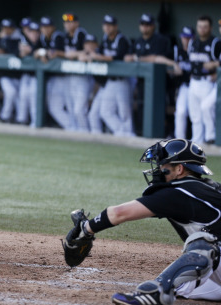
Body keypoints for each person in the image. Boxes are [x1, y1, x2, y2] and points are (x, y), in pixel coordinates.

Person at [65, 139, 221, 304]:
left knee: (203, 243)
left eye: (163, 165)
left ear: (179, 169)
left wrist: (86, 228)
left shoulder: (178, 193)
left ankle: (156, 293)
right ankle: (162, 288)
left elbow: (119, 213)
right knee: (182, 285)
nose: (159, 169)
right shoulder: (211, 188)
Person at [85, 15, 134, 137]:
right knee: (105, 112)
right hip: (110, 82)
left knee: (125, 112)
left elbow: (118, 58)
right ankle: (123, 133)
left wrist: (98, 57)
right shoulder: (105, 39)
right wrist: (91, 55)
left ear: (115, 26)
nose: (107, 27)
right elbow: (98, 53)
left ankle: (129, 135)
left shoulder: (121, 39)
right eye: (105, 25)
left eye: (110, 25)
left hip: (122, 80)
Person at [187, 15, 221, 144]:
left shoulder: (215, 43)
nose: (202, 29)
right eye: (200, 27)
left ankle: (210, 138)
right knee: (195, 114)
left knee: (206, 109)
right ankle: (197, 141)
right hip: (194, 81)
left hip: (208, 81)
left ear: (210, 28)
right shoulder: (193, 42)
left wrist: (213, 65)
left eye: (205, 27)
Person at [35, 16, 70, 130]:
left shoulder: (58, 36)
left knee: (73, 108)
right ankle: (71, 129)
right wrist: (41, 53)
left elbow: (53, 53)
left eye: (48, 27)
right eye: (43, 27)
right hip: (56, 78)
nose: (45, 29)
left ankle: (75, 130)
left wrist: (43, 53)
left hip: (67, 77)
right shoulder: (42, 37)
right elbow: (34, 52)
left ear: (53, 27)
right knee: (53, 107)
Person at [61, 13, 90, 132]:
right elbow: (61, 52)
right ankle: (75, 133)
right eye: (66, 22)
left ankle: (86, 132)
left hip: (82, 76)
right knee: (71, 108)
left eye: (70, 22)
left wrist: (73, 54)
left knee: (79, 109)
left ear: (76, 23)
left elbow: (88, 51)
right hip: (69, 75)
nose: (68, 24)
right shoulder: (65, 36)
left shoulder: (81, 34)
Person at [0, 18, 23, 124]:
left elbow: (16, 52)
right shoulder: (0, 38)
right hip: (5, 74)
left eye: (8, 28)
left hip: (18, 74)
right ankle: (4, 116)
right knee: (11, 93)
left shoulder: (19, 38)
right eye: (4, 28)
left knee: (19, 98)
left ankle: (20, 119)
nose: (6, 30)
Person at [173, 27, 194, 140]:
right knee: (180, 112)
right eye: (184, 37)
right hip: (184, 86)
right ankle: (179, 140)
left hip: (196, 85)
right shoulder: (177, 51)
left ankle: (199, 140)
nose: (185, 40)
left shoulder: (196, 50)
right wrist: (173, 67)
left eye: (188, 38)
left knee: (196, 114)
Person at [18, 21, 41, 127]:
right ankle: (21, 121)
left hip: (38, 77)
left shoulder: (42, 42)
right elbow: (17, 53)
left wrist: (33, 51)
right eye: (32, 32)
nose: (34, 34)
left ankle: (35, 123)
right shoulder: (23, 41)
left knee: (34, 98)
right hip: (26, 75)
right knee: (22, 97)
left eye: (37, 32)